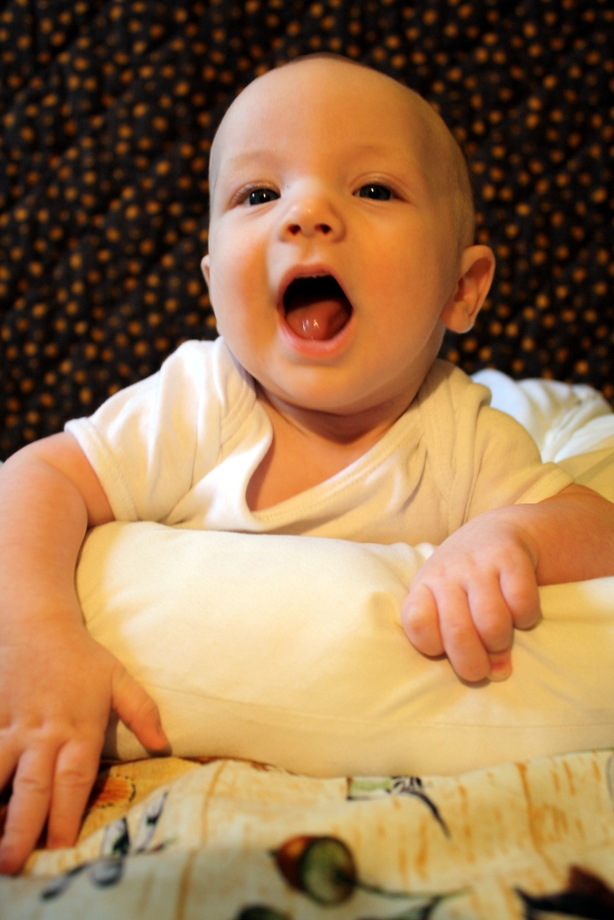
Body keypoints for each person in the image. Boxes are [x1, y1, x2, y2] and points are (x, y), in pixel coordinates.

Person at [0, 53, 613, 876]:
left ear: (462, 288)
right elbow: (34, 478)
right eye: (259, 195)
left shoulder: (458, 431)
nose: (307, 213)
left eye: (373, 189)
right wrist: (37, 635)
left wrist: (516, 534)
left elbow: (596, 526)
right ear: (215, 283)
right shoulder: (202, 399)